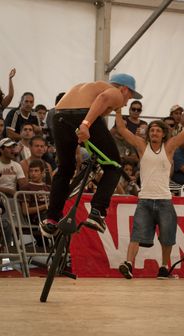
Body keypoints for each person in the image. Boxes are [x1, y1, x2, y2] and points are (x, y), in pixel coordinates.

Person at [40, 73, 142, 237]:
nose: (127, 101)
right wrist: (86, 124)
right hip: (81, 116)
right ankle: (97, 211)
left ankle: (51, 219)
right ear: (124, 89)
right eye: (130, 96)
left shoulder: (87, 87)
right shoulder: (114, 92)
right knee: (114, 166)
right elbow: (103, 98)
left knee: (65, 168)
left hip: (58, 115)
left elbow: (71, 112)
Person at [116, 96, 184, 279]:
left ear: (163, 134)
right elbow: (121, 129)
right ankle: (128, 264)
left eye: (157, 131)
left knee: (167, 237)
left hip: (164, 200)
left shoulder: (169, 147)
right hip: (144, 199)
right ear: (148, 133)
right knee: (136, 234)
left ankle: (163, 268)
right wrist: (118, 109)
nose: (154, 133)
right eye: (151, 130)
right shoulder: (142, 146)